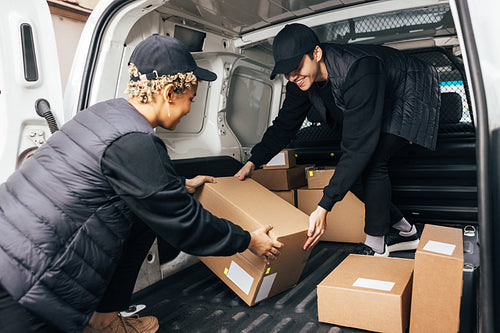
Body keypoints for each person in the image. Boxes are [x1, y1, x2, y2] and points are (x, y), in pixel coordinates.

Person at [0, 34, 283, 333]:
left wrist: (179, 185)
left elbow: (128, 180)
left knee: (141, 218)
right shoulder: (136, 141)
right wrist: (250, 240)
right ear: (170, 92)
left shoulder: (108, 114)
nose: (189, 109)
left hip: (16, 253)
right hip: (24, 282)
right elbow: (186, 225)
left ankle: (104, 321)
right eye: (191, 99)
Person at [236, 23, 440, 256]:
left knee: (372, 161)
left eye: (296, 67)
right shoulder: (299, 81)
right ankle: (406, 231)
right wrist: (254, 161)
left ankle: (376, 245)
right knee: (352, 176)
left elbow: (358, 147)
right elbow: (285, 125)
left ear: (316, 53)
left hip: (408, 94)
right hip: (378, 99)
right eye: (286, 71)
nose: (292, 76)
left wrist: (324, 206)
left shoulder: (359, 68)